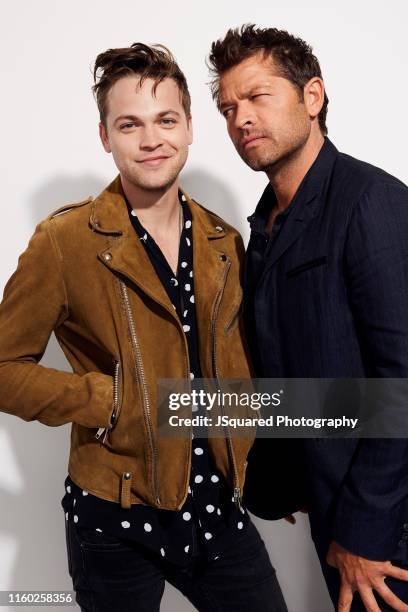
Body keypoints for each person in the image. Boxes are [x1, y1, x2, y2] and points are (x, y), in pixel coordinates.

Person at [0, 43, 288, 611]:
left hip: (217, 512)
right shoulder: (65, 242)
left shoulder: (223, 241)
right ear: (105, 136)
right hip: (114, 520)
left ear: (188, 128)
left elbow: (239, 372)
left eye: (165, 120)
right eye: (129, 124)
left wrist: (274, 459)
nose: (151, 139)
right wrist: (108, 399)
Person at [208, 24, 408, 612]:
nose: (240, 118)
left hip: (384, 522)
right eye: (227, 107)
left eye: (258, 96)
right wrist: (278, 474)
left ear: (312, 97)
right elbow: (287, 358)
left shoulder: (371, 201)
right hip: (329, 502)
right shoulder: (267, 221)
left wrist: (366, 531)